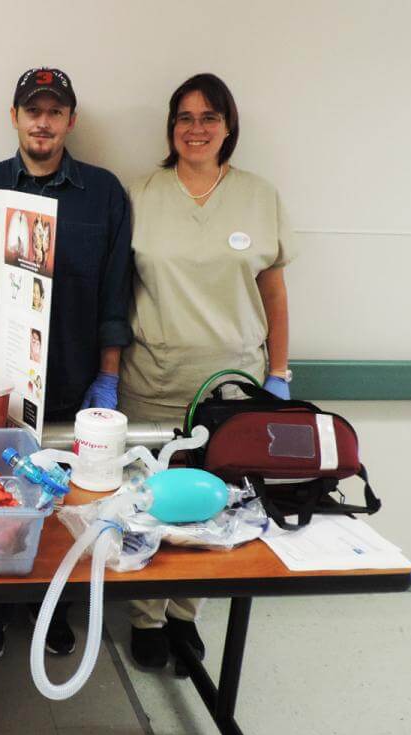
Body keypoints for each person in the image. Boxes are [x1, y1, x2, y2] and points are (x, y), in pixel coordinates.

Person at [119, 73, 295, 673]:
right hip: (153, 378)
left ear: (228, 127)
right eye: (185, 117)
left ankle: (184, 614)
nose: (196, 129)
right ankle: (144, 615)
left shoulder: (259, 195)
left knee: (215, 502)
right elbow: (118, 291)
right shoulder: (140, 193)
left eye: (209, 117)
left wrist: (280, 371)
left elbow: (273, 291)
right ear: (171, 127)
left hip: (234, 386)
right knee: (149, 500)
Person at [0, 67, 133, 659]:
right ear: (14, 117)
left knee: (63, 505)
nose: (43, 120)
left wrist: (106, 379)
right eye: (33, 109)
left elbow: (115, 293)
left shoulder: (105, 194)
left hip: (71, 385)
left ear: (70, 121)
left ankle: (50, 606)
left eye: (55, 111)